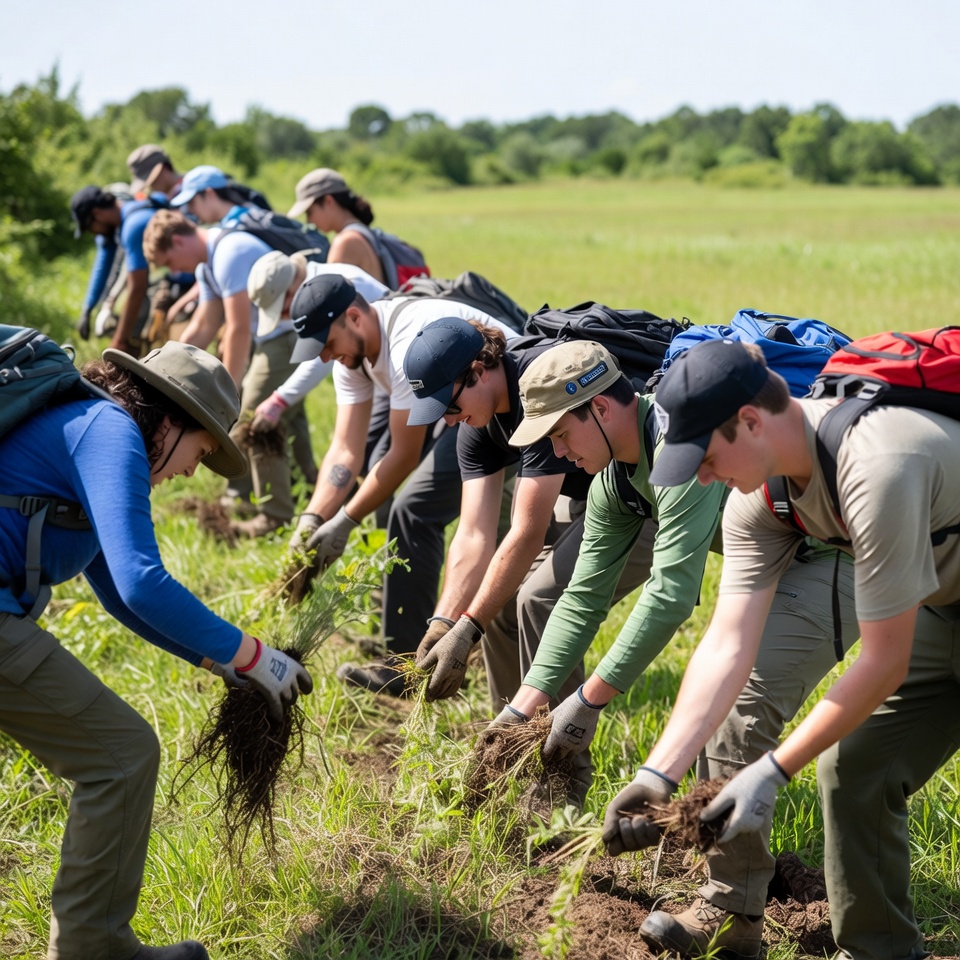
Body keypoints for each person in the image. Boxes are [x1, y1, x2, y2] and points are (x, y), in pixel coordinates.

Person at [601, 338, 960, 960]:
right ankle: (878, 952)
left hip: (932, 611)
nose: (703, 477)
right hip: (947, 606)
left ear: (750, 420)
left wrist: (770, 772)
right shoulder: (762, 500)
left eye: (706, 456)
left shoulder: (878, 465)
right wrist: (658, 772)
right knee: (854, 769)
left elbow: (884, 661)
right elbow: (727, 643)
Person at [0, 340, 312, 960]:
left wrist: (221, 662)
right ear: (171, 419)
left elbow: (119, 596)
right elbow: (143, 582)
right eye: (203, 450)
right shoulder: (110, 431)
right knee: (121, 756)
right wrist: (256, 656)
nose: (193, 471)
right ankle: (93, 950)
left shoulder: (85, 424)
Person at [490, 340, 856, 830]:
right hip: (772, 550)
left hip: (833, 555)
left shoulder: (674, 447)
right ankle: (706, 848)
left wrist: (589, 699)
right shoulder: (614, 482)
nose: (558, 452)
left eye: (560, 434)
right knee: (718, 692)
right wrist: (521, 708)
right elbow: (582, 598)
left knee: (739, 706)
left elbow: (670, 595)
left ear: (600, 408)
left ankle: (726, 873)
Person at [284, 274, 517, 693]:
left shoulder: (408, 342)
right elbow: (345, 450)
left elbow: (404, 456)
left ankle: (407, 661)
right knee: (388, 497)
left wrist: (344, 522)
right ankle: (400, 633)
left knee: (414, 507)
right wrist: (313, 518)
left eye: (327, 343)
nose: (324, 356)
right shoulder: (353, 356)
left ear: (354, 317)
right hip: (461, 403)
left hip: (497, 402)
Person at [404, 327, 655, 713]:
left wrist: (468, 627)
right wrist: (445, 621)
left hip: (643, 496)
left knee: (541, 600)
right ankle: (509, 737)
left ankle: (559, 746)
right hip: (589, 495)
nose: (449, 422)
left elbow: (527, 532)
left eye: (449, 406)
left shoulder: (541, 390)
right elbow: (473, 534)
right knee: (498, 606)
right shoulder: (477, 425)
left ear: (477, 371)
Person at [143, 206, 321, 532]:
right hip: (272, 339)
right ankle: (310, 486)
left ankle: (268, 511)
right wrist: (163, 367)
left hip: (287, 336)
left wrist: (226, 392)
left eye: (169, 262)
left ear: (179, 241)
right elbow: (205, 324)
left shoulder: (230, 252)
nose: (174, 270)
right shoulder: (208, 266)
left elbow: (238, 329)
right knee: (286, 414)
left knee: (251, 417)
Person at [239, 251, 392, 537]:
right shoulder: (314, 289)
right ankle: (334, 506)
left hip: (392, 370)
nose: (283, 318)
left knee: (379, 459)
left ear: (291, 289)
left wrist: (279, 399)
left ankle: (378, 537)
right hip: (370, 371)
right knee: (368, 455)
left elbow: (326, 356)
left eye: (282, 310)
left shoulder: (336, 289)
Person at [70, 186, 186, 355]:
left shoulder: (132, 225)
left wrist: (119, 341)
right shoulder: (130, 212)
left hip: (187, 283)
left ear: (98, 214)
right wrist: (88, 306)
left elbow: (137, 287)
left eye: (89, 228)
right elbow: (103, 262)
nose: (93, 233)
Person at [288, 168, 426, 289]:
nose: (308, 221)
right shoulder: (362, 232)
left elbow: (331, 301)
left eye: (309, 212)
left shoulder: (345, 242)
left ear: (329, 201)